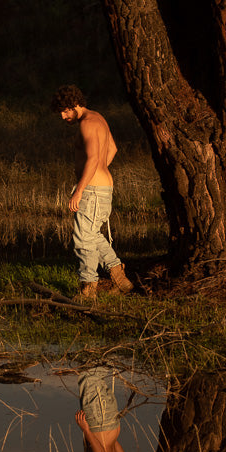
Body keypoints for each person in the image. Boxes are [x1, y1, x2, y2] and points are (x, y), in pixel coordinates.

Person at [51, 83, 133, 300]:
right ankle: (120, 279)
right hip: (103, 188)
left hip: (93, 190)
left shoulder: (87, 123)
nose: (63, 116)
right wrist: (100, 172)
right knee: (92, 235)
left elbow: (94, 158)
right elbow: (113, 148)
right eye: (60, 111)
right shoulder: (99, 118)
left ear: (76, 104)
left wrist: (79, 190)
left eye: (66, 110)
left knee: (82, 239)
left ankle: (88, 290)